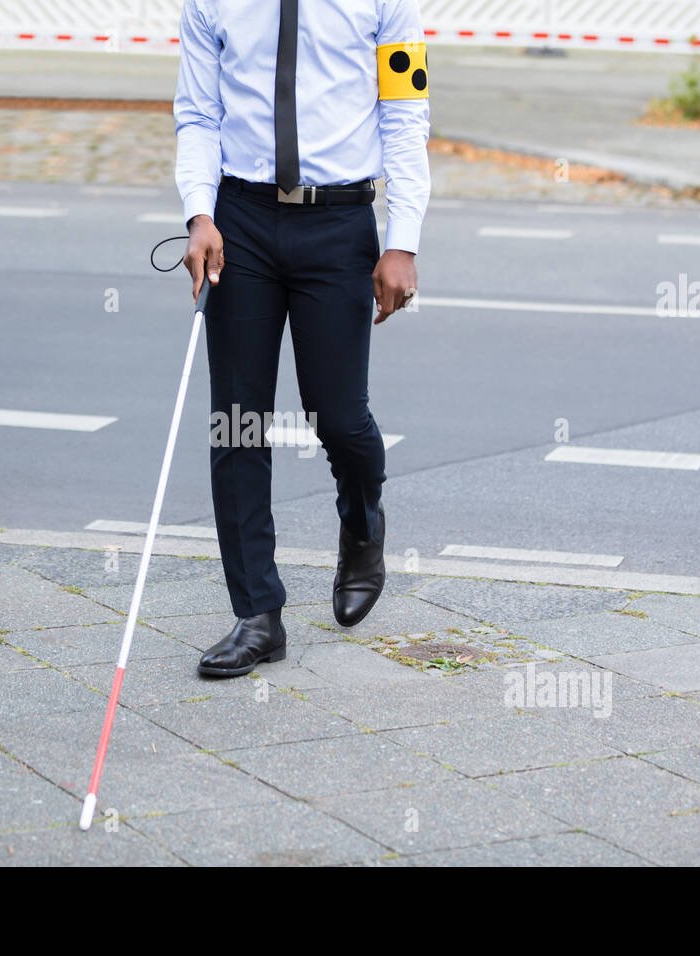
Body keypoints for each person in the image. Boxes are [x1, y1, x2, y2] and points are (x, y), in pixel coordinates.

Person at [175, 0, 430, 678]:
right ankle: (258, 613)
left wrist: (402, 241)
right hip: (241, 219)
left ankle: (362, 516)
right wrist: (199, 214)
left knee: (339, 415)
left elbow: (405, 112)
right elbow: (198, 113)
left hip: (339, 223)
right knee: (237, 420)